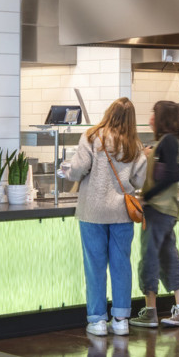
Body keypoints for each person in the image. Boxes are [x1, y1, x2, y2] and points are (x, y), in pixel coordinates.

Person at [61, 98, 147, 337]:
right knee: (121, 265)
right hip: (122, 212)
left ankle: (98, 320)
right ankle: (121, 319)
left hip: (93, 212)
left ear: (109, 113)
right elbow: (139, 180)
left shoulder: (91, 137)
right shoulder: (134, 144)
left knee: (95, 266)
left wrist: (67, 170)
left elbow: (78, 170)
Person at [134, 100, 179, 329]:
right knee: (169, 258)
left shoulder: (167, 141)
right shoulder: (169, 142)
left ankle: (150, 312)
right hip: (166, 210)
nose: (150, 117)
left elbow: (171, 175)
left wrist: (146, 197)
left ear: (162, 118)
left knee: (149, 259)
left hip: (158, 210)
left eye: (153, 113)